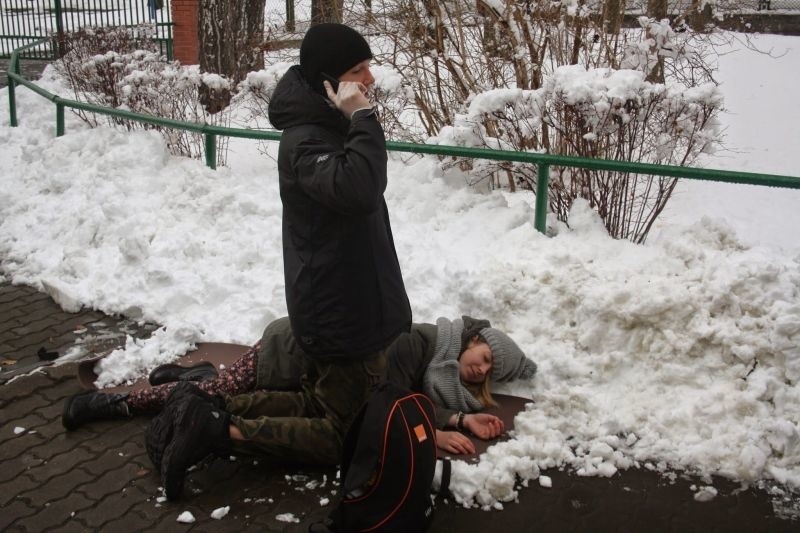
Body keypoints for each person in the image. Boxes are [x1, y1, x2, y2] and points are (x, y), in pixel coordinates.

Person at [62, 315, 536, 459]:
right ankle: (113, 405)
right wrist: (431, 433)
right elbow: (388, 400)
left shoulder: (432, 358)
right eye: (486, 357)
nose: (480, 371)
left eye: (490, 374)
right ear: (473, 340)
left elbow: (407, 398)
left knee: (221, 387)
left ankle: (196, 376)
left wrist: (457, 417)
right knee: (217, 395)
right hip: (286, 356)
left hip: (305, 367)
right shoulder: (417, 343)